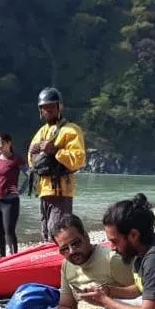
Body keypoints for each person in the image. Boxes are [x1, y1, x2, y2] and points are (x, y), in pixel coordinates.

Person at [24, 214, 134, 309]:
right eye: (64, 249)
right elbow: (66, 304)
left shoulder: (111, 260)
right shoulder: (67, 265)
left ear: (86, 236)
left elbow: (139, 294)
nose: (71, 251)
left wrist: (109, 293)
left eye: (75, 244)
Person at [28, 88, 87, 241]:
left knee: (58, 232)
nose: (47, 111)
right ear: (40, 110)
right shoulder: (41, 132)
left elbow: (78, 160)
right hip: (44, 191)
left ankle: (63, 260)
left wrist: (55, 151)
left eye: (51, 107)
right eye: (44, 108)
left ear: (59, 107)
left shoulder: (71, 130)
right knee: (46, 232)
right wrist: (33, 153)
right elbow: (33, 162)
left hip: (61, 191)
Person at [0, 132, 25, 257]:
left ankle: (14, 258)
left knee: (9, 232)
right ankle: (1, 259)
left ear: (9, 143)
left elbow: (30, 175)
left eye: (1, 143)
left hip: (11, 202)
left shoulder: (16, 159)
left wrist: (21, 191)